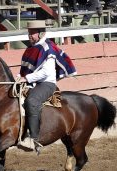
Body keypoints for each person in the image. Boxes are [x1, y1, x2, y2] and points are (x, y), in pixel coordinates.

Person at [17, 20, 76, 151]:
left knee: (32, 101)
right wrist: (18, 78)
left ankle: (33, 139)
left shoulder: (47, 48)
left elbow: (46, 73)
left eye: (32, 33)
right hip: (31, 82)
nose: (29, 35)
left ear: (41, 33)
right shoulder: (30, 49)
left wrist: (26, 78)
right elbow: (25, 69)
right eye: (29, 32)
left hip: (46, 84)